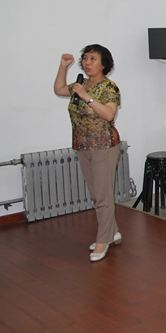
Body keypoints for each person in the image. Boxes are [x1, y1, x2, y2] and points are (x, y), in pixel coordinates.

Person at [54, 45, 122, 262]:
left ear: (104, 64)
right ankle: (112, 232)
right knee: (97, 194)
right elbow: (59, 90)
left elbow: (109, 114)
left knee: (102, 196)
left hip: (104, 146)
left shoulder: (108, 87)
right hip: (83, 145)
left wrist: (87, 98)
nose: (87, 62)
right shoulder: (81, 83)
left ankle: (104, 240)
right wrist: (63, 67)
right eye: (85, 58)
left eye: (93, 58)